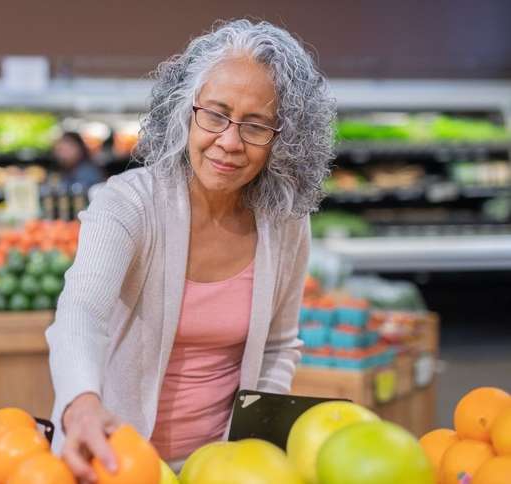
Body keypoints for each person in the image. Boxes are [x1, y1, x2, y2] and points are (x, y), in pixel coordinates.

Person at [46, 19, 335, 480]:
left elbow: (280, 344)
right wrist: (80, 403)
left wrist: (252, 446)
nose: (229, 142)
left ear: (285, 140)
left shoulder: (286, 222)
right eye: (216, 114)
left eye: (256, 125)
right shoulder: (129, 203)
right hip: (117, 460)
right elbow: (81, 312)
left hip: (224, 467)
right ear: (186, 109)